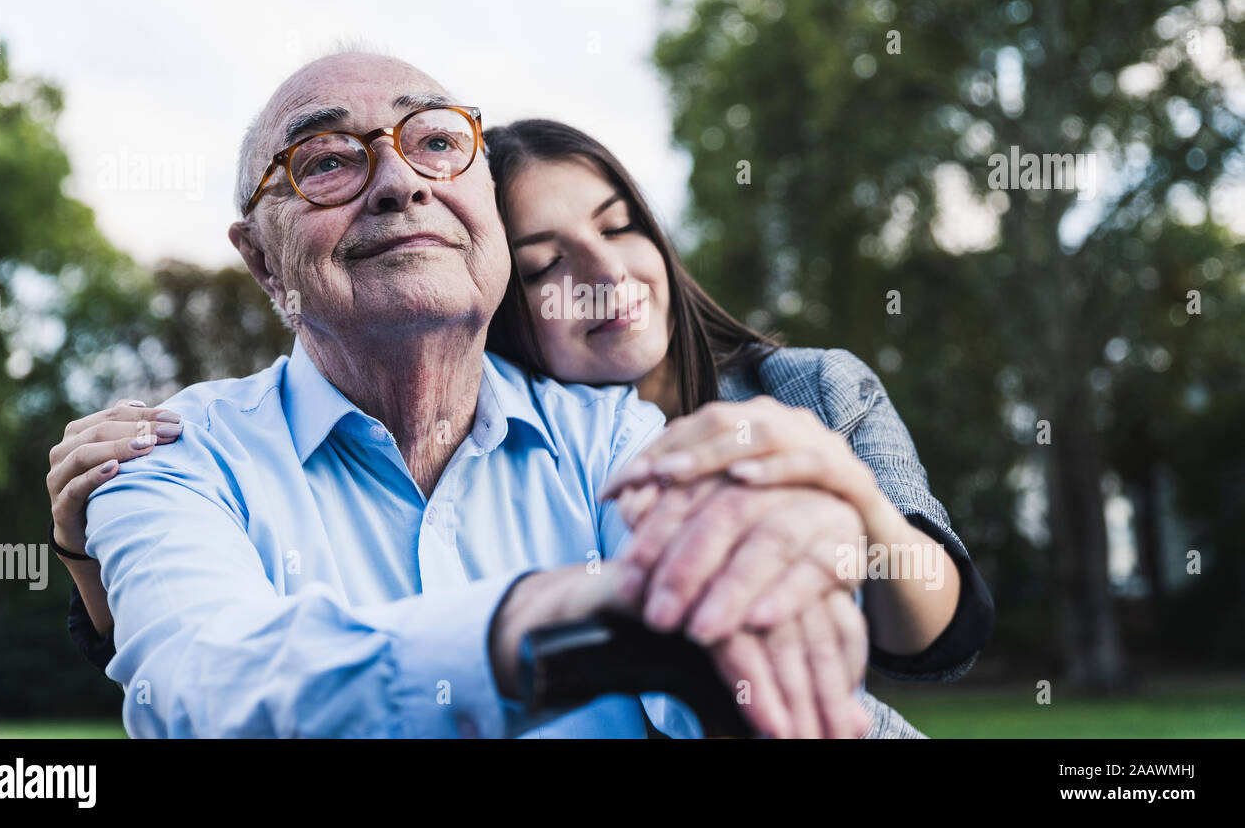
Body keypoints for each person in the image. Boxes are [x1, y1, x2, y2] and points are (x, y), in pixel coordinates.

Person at [48, 50, 877, 739]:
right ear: (262, 260)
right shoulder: (164, 452)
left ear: (487, 207)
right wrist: (531, 622)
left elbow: (722, 645)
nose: (399, 183)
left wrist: (757, 576)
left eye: (438, 142)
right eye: (327, 160)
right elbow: (206, 687)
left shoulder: (613, 433)